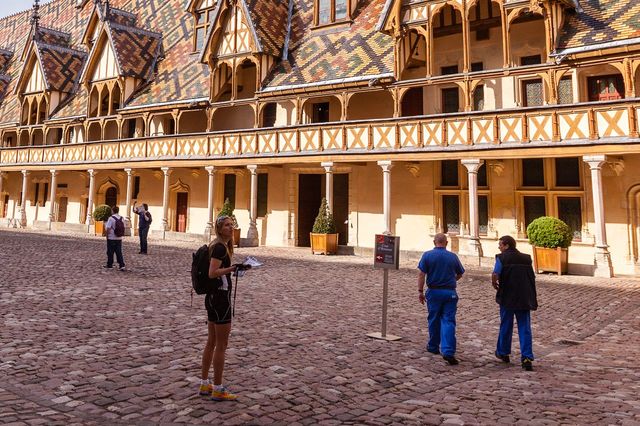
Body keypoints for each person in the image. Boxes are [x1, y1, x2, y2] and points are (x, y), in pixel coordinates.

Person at [199, 215, 240, 401]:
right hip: (220, 299)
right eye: (227, 225)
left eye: (232, 225)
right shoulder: (219, 248)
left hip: (212, 298)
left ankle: (205, 383)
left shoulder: (216, 245)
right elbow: (212, 272)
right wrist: (232, 269)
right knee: (221, 345)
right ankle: (218, 388)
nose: (231, 228)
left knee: (211, 342)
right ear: (219, 228)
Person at [417, 233, 465, 365]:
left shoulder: (427, 255)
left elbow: (421, 274)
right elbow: (460, 273)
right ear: (446, 243)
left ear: (434, 242)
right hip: (450, 292)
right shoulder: (452, 256)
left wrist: (420, 291)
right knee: (448, 321)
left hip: (434, 291)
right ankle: (448, 351)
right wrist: (452, 280)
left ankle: (433, 346)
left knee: (433, 319)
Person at [492, 235, 538, 371]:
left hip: (507, 296)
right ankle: (527, 357)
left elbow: (495, 273)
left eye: (500, 244)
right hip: (524, 296)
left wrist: (494, 283)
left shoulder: (501, 258)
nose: (499, 247)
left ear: (506, 245)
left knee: (506, 324)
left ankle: (503, 352)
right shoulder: (526, 258)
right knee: (525, 327)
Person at [103, 206, 125, 271]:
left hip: (111, 237)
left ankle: (110, 265)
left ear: (112, 211)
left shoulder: (111, 218)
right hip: (119, 237)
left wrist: (106, 236)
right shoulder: (122, 218)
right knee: (119, 252)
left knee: (110, 251)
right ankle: (121, 265)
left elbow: (108, 228)